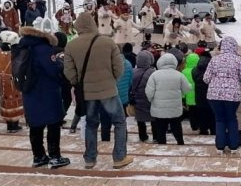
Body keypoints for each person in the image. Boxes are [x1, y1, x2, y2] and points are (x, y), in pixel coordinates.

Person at [64, 12, 132, 169]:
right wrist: (111, 81)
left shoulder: (71, 45)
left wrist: (78, 83)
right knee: (119, 122)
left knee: (91, 124)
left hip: (87, 93)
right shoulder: (108, 43)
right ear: (93, 24)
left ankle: (90, 158)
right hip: (108, 90)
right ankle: (119, 157)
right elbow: (119, 67)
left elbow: (68, 71)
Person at [18, 25, 70, 168]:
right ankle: (54, 156)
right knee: (53, 124)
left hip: (30, 93)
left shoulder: (23, 46)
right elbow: (53, 69)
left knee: (35, 125)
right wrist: (59, 64)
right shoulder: (44, 49)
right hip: (46, 92)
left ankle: (38, 156)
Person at [204, 36, 241, 153]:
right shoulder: (239, 60)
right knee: (232, 119)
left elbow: (206, 78)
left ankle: (220, 146)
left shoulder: (214, 59)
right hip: (232, 95)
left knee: (219, 120)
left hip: (214, 95)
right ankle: (234, 146)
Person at [145, 52, 191, 145]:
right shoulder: (179, 75)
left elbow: (149, 92)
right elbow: (187, 88)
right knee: (176, 125)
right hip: (174, 107)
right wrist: (180, 94)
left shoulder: (155, 75)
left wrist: (152, 100)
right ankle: (180, 142)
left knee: (161, 127)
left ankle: (162, 144)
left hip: (159, 108)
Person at [0, 31, 23, 133]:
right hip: (12, 82)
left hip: (1, 82)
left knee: (5, 100)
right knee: (15, 101)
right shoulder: (13, 55)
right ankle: (14, 125)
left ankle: (9, 125)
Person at [131, 50, 155, 142]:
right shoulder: (153, 72)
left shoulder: (133, 72)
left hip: (137, 99)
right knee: (153, 119)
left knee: (140, 119)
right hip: (150, 100)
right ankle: (156, 136)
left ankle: (143, 136)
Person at [192, 50, 216, 135]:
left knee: (201, 112)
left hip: (199, 95)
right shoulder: (213, 69)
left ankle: (203, 129)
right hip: (211, 93)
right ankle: (213, 129)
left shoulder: (195, 70)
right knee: (212, 112)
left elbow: (194, 79)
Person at [181, 52, 200, 131]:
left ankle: (194, 125)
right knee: (199, 111)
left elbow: (182, 86)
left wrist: (183, 97)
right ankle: (199, 124)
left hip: (188, 96)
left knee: (192, 111)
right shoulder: (199, 71)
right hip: (198, 96)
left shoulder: (184, 71)